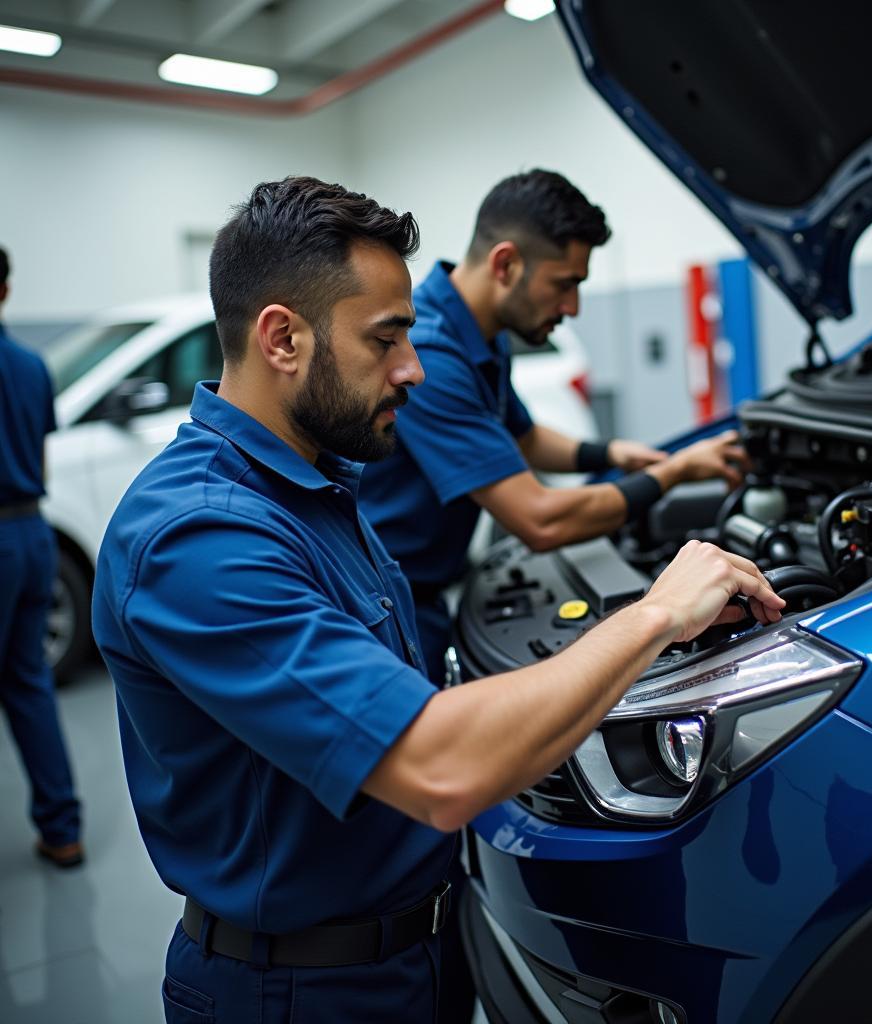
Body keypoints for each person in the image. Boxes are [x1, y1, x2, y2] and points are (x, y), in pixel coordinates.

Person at [91, 177, 784, 1024]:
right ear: (282, 339)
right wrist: (656, 615)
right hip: (303, 994)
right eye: (385, 340)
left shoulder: (319, 482)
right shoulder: (201, 542)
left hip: (418, 950)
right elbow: (443, 766)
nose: (413, 369)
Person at [359, 169, 749, 689]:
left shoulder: (478, 331)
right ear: (506, 264)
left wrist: (609, 453)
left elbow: (525, 437)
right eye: (565, 284)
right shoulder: (434, 352)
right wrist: (671, 476)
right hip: (380, 602)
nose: (572, 308)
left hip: (425, 581)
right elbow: (539, 520)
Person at [0, 245, 83, 868]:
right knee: (29, 684)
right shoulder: (32, 366)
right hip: (32, 534)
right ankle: (62, 829)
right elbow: (42, 460)